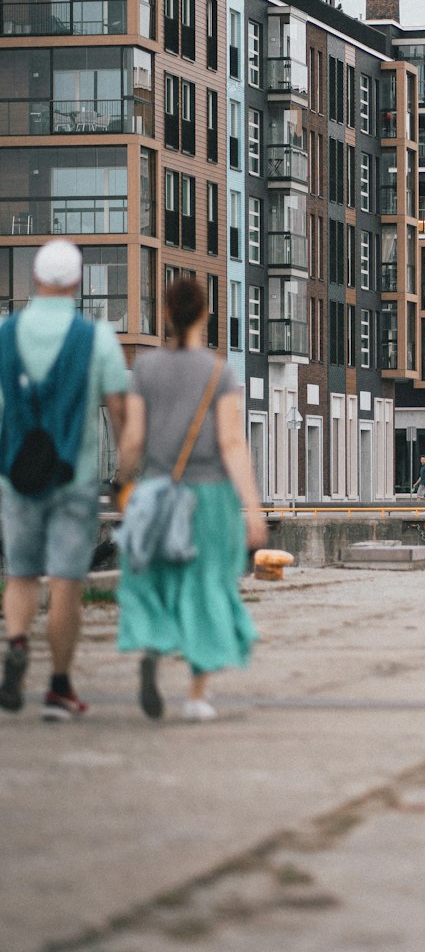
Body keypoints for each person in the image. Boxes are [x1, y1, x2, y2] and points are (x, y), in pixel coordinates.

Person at [115, 278, 267, 722]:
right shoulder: (219, 372)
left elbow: (134, 438)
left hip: (158, 493)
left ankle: (153, 649)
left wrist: (125, 482)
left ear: (165, 312)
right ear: (204, 315)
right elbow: (232, 442)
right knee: (207, 587)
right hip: (209, 497)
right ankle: (197, 695)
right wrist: (253, 509)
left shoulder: (144, 369)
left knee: (158, 579)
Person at [0, 239, 129, 720]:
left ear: (35, 277)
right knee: (67, 584)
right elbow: (120, 414)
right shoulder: (97, 340)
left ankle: (16, 643)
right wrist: (127, 475)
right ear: (76, 283)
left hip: (16, 478)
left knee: (20, 575)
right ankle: (58, 687)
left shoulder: (4, 335)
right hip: (74, 482)